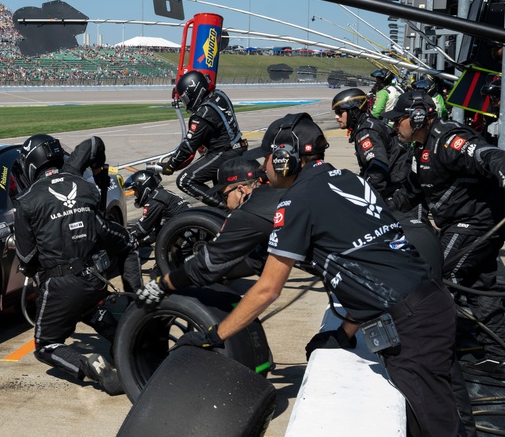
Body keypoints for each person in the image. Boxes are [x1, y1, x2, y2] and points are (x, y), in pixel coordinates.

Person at [172, 113, 466, 437]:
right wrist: (344, 333)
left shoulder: (297, 200)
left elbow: (267, 289)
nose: (264, 166)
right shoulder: (347, 179)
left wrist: (215, 336)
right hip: (428, 303)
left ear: (285, 158)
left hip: (412, 324)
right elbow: (365, 267)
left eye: (268, 157)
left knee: (437, 427)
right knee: (444, 413)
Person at [383, 90, 505, 381]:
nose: (393, 125)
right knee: (480, 283)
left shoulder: (449, 139)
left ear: (417, 117)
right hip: (466, 221)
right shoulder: (422, 149)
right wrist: (375, 211)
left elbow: (492, 156)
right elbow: (411, 192)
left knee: (436, 279)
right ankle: (497, 357)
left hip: (475, 222)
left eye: (397, 119)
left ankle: (430, 356)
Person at [12, 134, 139, 396]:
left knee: (45, 346)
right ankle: (131, 333)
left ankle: (91, 366)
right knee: (89, 306)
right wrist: (99, 171)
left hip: (61, 285)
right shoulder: (81, 183)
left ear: (31, 163)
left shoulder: (26, 201)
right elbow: (93, 142)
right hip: (95, 278)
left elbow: (27, 258)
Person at [136, 157, 285, 305]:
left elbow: (210, 261)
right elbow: (256, 261)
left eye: (224, 195)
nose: (224, 202)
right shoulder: (282, 192)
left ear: (241, 190)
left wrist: (164, 284)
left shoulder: (247, 214)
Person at [158, 71, 247, 209]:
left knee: (185, 180)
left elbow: (188, 146)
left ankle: (225, 209)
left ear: (194, 92)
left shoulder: (203, 114)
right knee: (218, 187)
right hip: (237, 146)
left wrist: (171, 165)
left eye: (186, 98)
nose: (187, 103)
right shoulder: (219, 95)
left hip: (225, 152)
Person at [332, 87, 410, 201]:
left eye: (339, 112)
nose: (336, 117)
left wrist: (369, 198)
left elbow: (377, 171)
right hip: (398, 185)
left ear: (353, 111)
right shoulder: (369, 123)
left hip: (396, 192)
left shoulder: (367, 131)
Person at [123, 169, 192, 245]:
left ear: (144, 187)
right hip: (187, 226)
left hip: (187, 233)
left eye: (136, 190)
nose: (135, 194)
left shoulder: (155, 201)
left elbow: (142, 228)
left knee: (166, 249)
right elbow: (157, 231)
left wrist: (123, 237)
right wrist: (140, 242)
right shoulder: (160, 193)